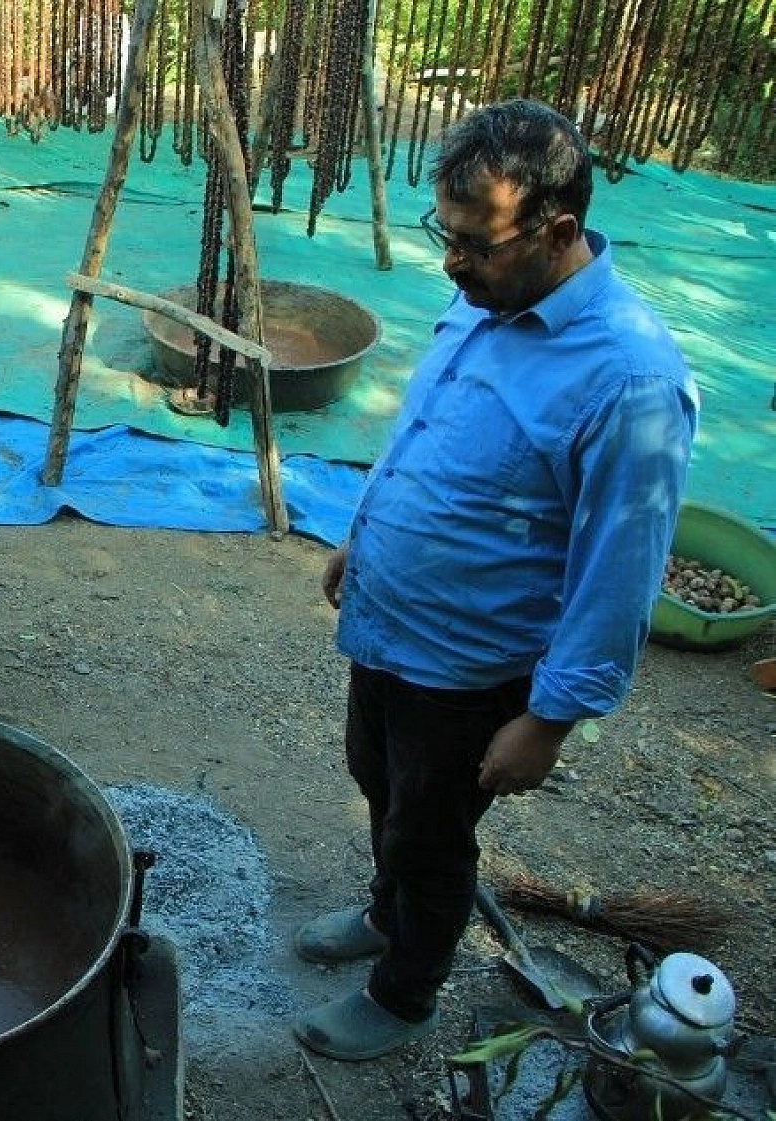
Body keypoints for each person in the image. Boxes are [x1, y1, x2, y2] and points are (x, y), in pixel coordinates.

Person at [292, 100, 697, 1061]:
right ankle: (390, 915)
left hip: (471, 670)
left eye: (473, 242)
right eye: (447, 232)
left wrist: (550, 718)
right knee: (378, 783)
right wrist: (365, 537)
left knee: (432, 837)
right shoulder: (488, 297)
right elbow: (425, 434)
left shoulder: (630, 379)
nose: (449, 260)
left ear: (557, 232)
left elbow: (619, 573)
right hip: (392, 627)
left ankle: (404, 995)